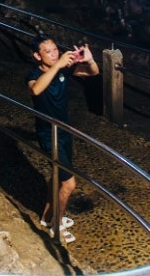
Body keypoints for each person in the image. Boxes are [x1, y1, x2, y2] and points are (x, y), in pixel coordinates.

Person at [26, 35, 99, 244]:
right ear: (37, 55)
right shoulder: (33, 74)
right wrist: (57, 65)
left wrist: (89, 60)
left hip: (65, 131)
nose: (54, 53)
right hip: (49, 134)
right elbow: (36, 89)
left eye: (55, 49)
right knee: (68, 184)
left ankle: (47, 218)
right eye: (48, 51)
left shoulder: (63, 71)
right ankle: (55, 229)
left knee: (57, 176)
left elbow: (93, 73)